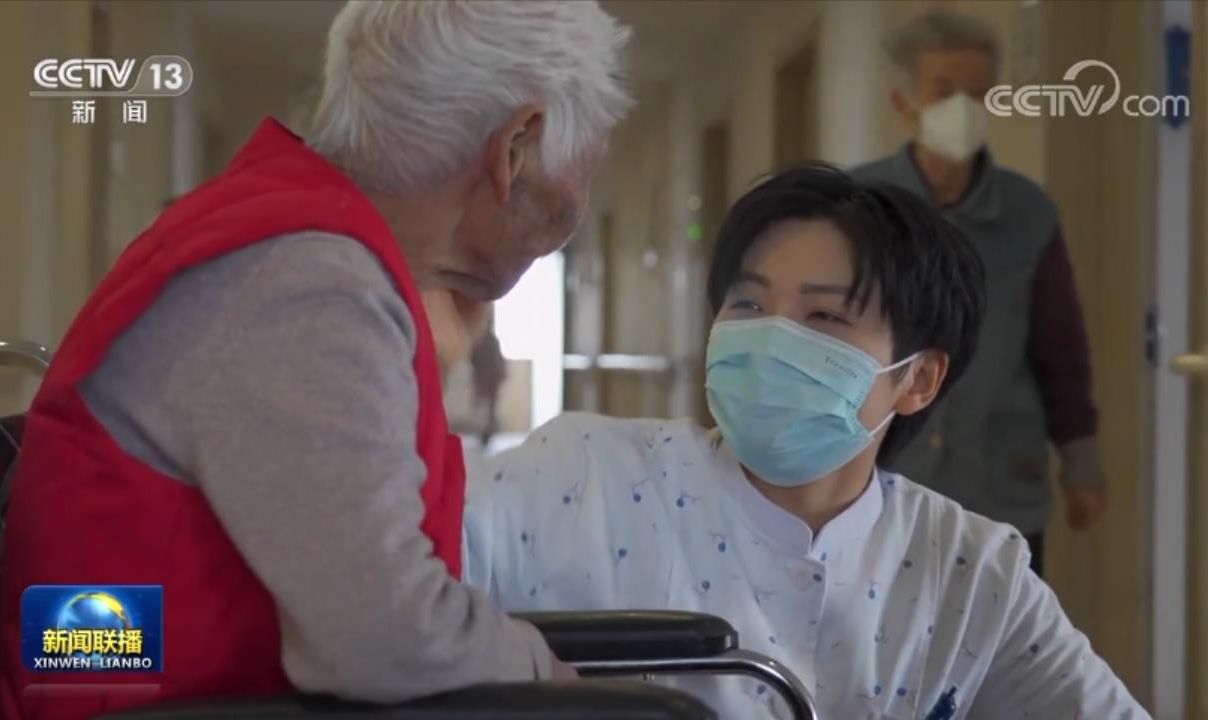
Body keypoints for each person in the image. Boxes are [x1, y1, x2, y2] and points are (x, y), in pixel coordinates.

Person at [0, 2, 630, 718]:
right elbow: (386, 638)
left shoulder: (292, 240)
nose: (578, 199)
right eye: (590, 159)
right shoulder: (306, 281)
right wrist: (552, 679)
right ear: (517, 146)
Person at [462, 164, 1147, 719]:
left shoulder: (970, 573)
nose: (770, 341)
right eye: (749, 304)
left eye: (824, 316)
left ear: (917, 379)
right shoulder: (578, 479)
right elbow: (405, 597)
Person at [848, 9, 1105, 576]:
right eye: (944, 92)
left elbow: (1061, 347)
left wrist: (1082, 466)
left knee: (1000, 627)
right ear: (903, 103)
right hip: (879, 478)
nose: (963, 109)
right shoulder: (856, 205)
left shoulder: (1027, 212)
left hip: (998, 483)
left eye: (979, 93)